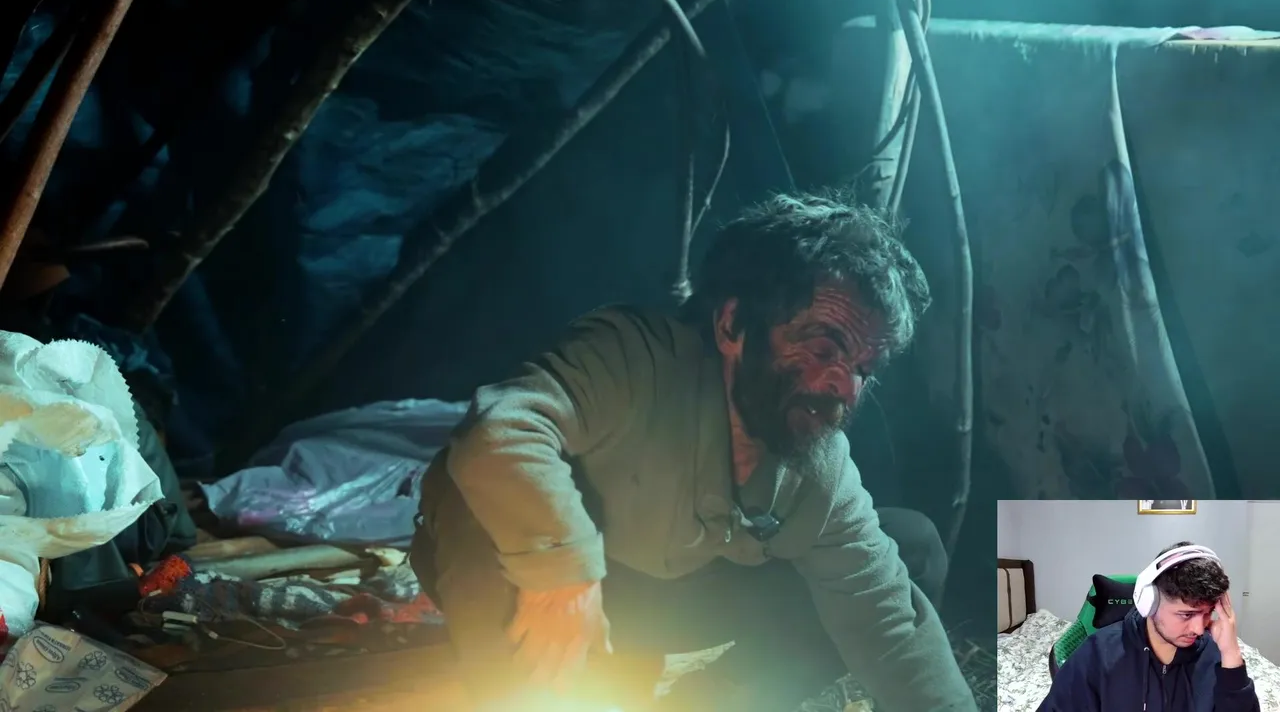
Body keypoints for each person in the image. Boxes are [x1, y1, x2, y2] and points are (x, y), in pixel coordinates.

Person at [410, 191, 975, 710]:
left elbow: (887, 621)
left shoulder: (818, 463)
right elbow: (501, 430)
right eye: (824, 348)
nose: (842, 387)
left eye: (861, 369)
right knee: (475, 508)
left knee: (907, 547)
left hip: (668, 603)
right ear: (732, 325)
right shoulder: (632, 362)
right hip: (559, 589)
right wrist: (560, 572)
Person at [1037, 541, 1260, 711]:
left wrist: (1231, 655)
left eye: (1207, 613)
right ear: (1149, 603)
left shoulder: (1215, 656)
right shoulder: (1098, 654)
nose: (1199, 629)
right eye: (1186, 614)